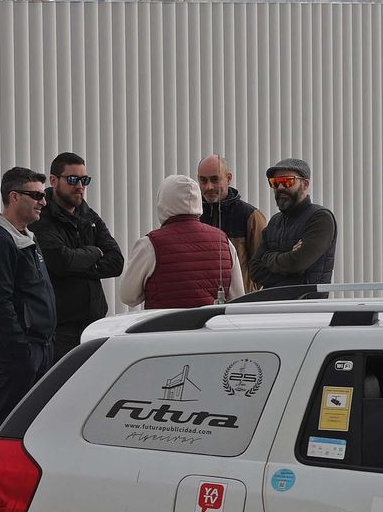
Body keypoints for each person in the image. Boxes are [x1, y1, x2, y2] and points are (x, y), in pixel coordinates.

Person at [0, 167, 56, 445]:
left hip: (40, 345)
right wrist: (20, 349)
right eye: (35, 195)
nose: (43, 202)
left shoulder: (26, 237)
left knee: (34, 424)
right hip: (20, 351)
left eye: (43, 195)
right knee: (7, 421)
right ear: (14, 197)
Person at [32, 151, 124, 361]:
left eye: (84, 180)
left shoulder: (87, 215)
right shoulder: (42, 218)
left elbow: (116, 262)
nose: (79, 185)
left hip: (94, 325)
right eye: (72, 179)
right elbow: (61, 262)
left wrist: (77, 264)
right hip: (61, 329)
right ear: (54, 181)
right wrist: (95, 252)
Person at [119, 175, 244, 309]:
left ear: (163, 201)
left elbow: (128, 296)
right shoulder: (224, 242)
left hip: (164, 327)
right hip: (210, 327)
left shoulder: (150, 244)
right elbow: (237, 297)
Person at [249, 157, 337, 290]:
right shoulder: (275, 222)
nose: (280, 187)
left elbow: (297, 262)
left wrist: (267, 258)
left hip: (306, 306)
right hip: (271, 305)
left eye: (287, 181)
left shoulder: (320, 218)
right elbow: (255, 270)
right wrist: (291, 266)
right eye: (275, 182)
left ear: (305, 184)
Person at [197, 153, 267, 293]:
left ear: (228, 179)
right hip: (201, 301)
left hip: (240, 304)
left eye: (215, 179)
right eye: (203, 180)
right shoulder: (193, 216)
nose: (208, 187)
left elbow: (262, 266)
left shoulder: (250, 216)